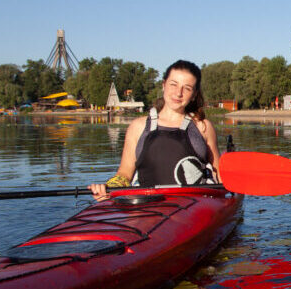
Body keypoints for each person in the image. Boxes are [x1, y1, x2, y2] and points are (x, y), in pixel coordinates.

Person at [89, 60, 220, 201]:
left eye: (187, 88)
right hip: (147, 206)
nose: (178, 93)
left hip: (194, 206)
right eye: (173, 84)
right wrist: (108, 188)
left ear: (194, 94)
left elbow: (219, 174)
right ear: (163, 85)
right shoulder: (138, 126)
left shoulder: (203, 127)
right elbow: (124, 174)